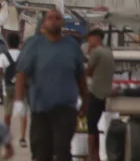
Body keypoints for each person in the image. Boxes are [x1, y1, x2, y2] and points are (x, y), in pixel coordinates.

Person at [13, 9, 86, 161]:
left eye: (57, 18)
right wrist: (18, 100)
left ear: (62, 22)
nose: (53, 21)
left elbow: (80, 76)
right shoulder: (34, 45)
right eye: (50, 18)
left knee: (62, 147)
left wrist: (85, 100)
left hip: (66, 107)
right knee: (41, 151)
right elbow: (21, 74)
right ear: (45, 22)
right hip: (41, 109)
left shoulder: (72, 46)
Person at [0, 32, 27, 148]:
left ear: (7, 43)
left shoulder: (3, 56)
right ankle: (22, 137)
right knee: (23, 113)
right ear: (19, 42)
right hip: (22, 87)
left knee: (7, 113)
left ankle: (6, 135)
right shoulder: (24, 55)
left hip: (8, 88)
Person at [86, 29, 114, 160]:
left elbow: (88, 71)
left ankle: (92, 154)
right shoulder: (108, 52)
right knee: (96, 124)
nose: (88, 42)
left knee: (91, 124)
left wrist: (88, 52)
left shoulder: (96, 52)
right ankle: (96, 153)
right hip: (106, 93)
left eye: (89, 39)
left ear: (95, 38)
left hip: (96, 92)